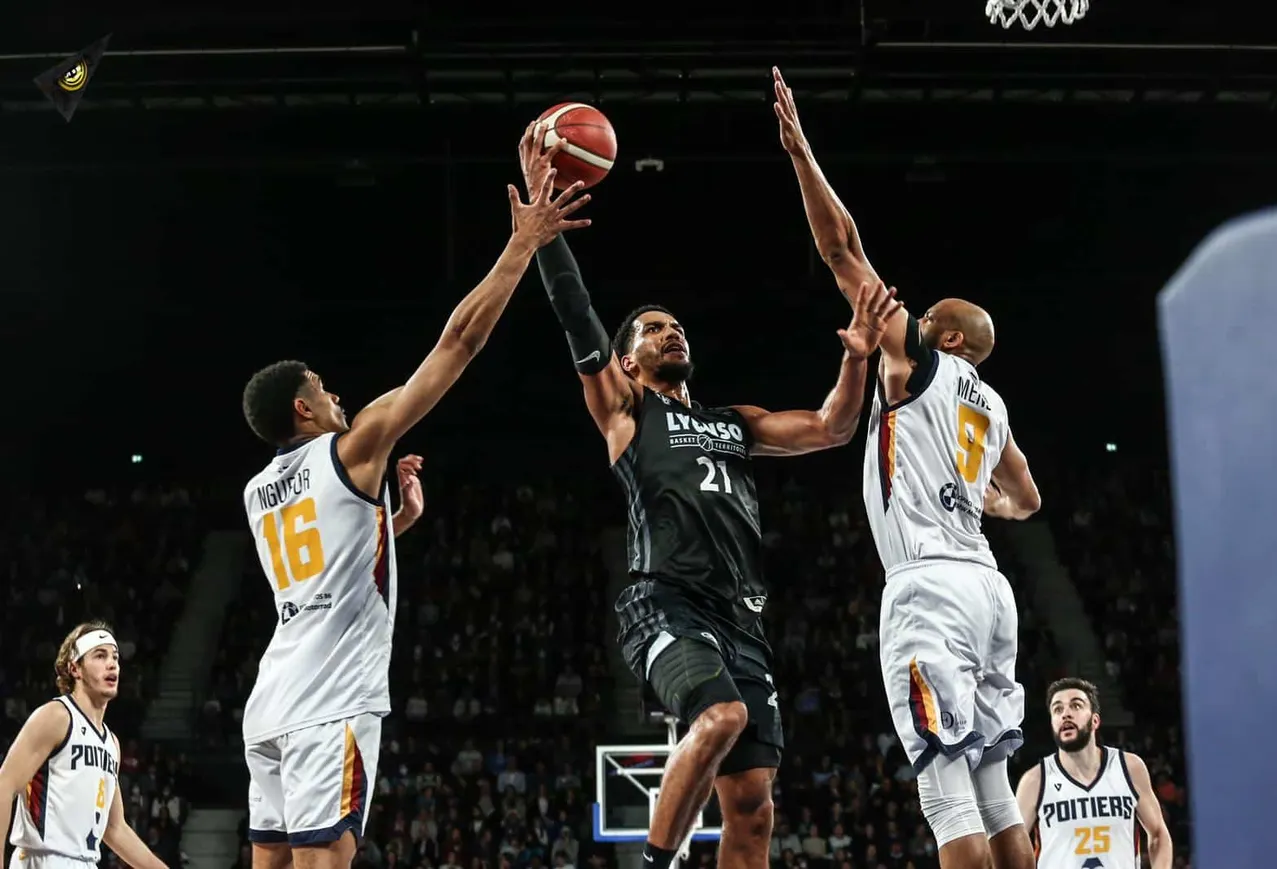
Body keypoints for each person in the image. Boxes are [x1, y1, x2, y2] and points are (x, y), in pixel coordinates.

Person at [517, 120, 901, 869]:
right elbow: (575, 309)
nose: (671, 333)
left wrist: (856, 361)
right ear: (626, 361)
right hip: (666, 599)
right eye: (654, 330)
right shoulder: (628, 412)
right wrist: (542, 228)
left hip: (743, 615)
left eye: (677, 326)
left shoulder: (734, 423)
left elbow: (831, 427)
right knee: (719, 715)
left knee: (754, 807)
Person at [237, 171, 590, 869]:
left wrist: (389, 526)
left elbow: (318, 571)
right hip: (327, 699)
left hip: (270, 700)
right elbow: (457, 343)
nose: (336, 392)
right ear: (303, 410)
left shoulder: (257, 492)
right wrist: (521, 245)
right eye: (322, 388)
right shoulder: (355, 444)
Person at [772, 66, 1043, 869]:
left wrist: (800, 152)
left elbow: (841, 248)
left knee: (945, 788)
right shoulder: (992, 409)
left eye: (925, 318)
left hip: (929, 585)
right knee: (995, 788)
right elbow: (1027, 496)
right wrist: (985, 503)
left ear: (948, 338)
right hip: (991, 591)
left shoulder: (918, 361)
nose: (908, 318)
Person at [0, 622, 169, 869]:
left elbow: (114, 828)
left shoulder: (112, 743)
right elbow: (5, 785)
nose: (112, 664)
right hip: (44, 859)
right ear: (75, 668)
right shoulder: (56, 716)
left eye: (115, 657)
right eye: (100, 656)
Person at [1016, 678, 1173, 869]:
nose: (1066, 714)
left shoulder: (1129, 768)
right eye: (1058, 709)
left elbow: (1158, 834)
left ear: (1095, 720)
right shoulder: (1035, 781)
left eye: (1076, 706)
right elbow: (1011, 853)